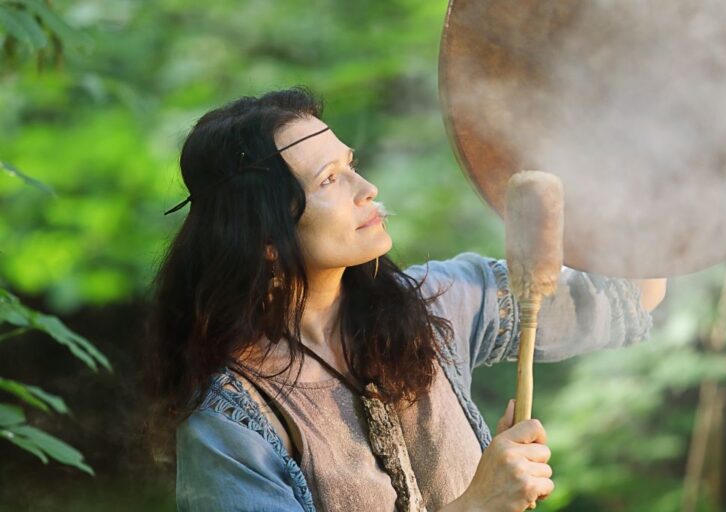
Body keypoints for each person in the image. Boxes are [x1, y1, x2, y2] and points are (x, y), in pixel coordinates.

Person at [143, 86, 666, 512]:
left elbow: (632, 294)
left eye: (351, 164)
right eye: (330, 180)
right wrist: (479, 505)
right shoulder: (229, 422)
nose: (366, 187)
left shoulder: (435, 304)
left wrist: (638, 154)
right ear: (265, 237)